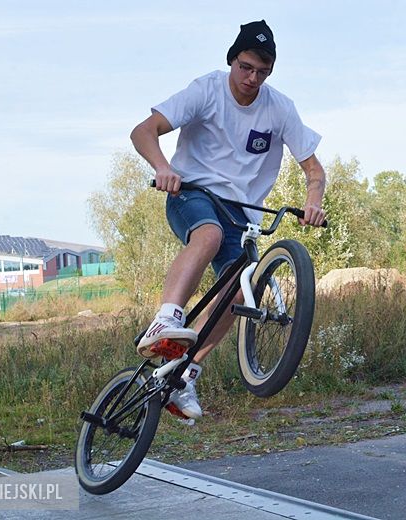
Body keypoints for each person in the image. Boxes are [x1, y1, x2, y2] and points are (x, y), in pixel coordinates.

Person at [130, 20, 327, 420]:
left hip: (243, 214)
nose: (252, 79)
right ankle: (166, 318)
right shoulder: (207, 90)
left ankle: (185, 373)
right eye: (246, 67)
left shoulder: (280, 108)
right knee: (210, 235)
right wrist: (163, 166)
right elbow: (143, 131)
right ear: (232, 61)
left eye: (262, 72)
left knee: (240, 292)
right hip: (193, 194)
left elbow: (315, 171)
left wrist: (313, 202)